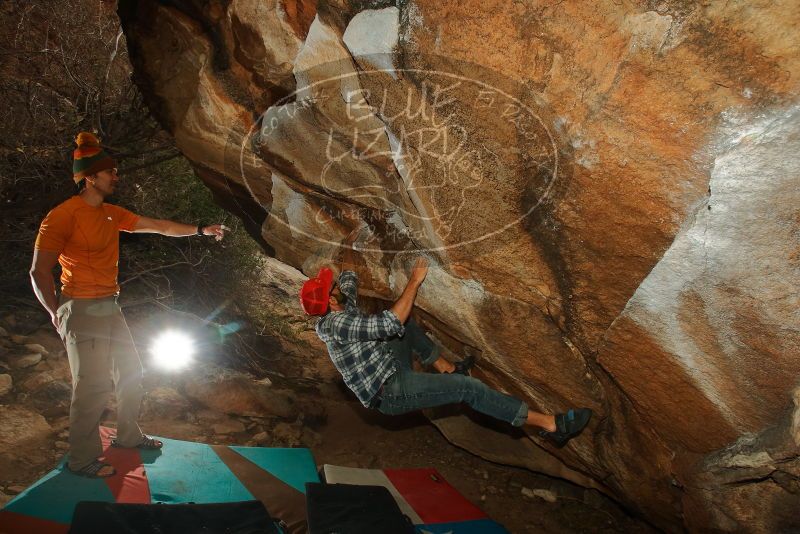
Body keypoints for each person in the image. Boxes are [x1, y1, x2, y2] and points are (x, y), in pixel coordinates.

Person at [29, 132, 228, 478]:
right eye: (111, 172)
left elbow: (160, 227)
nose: (116, 176)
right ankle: (82, 459)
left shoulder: (110, 213)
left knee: (131, 371)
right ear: (90, 177)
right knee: (91, 387)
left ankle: (128, 435)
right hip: (80, 308)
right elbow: (38, 271)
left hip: (110, 305)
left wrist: (200, 230)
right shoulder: (62, 216)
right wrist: (56, 313)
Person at [300, 249, 593, 447]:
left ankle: (447, 367)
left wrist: (349, 244)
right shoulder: (336, 326)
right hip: (389, 392)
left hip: (386, 366)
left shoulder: (337, 307)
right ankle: (551, 426)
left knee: (406, 327)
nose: (335, 286)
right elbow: (389, 323)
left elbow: (349, 280)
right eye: (330, 288)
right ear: (331, 303)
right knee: (467, 388)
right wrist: (415, 281)